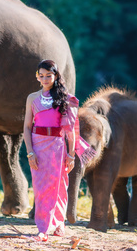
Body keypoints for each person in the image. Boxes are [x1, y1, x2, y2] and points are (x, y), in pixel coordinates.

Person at [23, 59, 95, 241]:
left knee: (59, 186)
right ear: (37, 77)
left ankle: (58, 223)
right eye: (42, 75)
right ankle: (43, 227)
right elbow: (26, 127)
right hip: (37, 145)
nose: (45, 78)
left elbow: (70, 130)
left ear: (55, 76)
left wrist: (71, 155)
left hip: (57, 146)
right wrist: (30, 152)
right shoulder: (32, 98)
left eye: (49, 75)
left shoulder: (66, 99)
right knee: (40, 188)